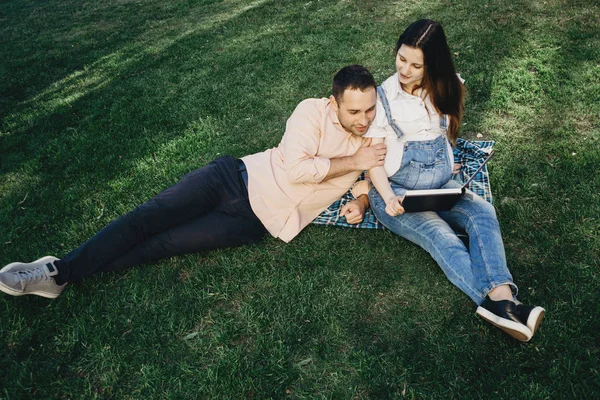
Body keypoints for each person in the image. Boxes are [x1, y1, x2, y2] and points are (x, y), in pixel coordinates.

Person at [0, 65, 386, 300]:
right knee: (147, 218)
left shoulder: (372, 137)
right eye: (354, 111)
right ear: (333, 102)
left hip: (253, 223)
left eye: (369, 109)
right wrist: (356, 160)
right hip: (231, 179)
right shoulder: (311, 112)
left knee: (158, 246)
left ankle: (60, 276)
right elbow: (296, 170)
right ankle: (55, 272)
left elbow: (366, 176)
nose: (363, 119)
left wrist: (363, 199)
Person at [363, 20, 545, 342]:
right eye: (401, 59)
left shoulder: (448, 87)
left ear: (432, 65)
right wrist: (389, 197)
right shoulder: (383, 99)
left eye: (415, 65)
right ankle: (506, 306)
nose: (404, 69)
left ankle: (501, 301)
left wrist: (447, 160)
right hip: (396, 194)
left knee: (482, 213)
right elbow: (373, 162)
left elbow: (447, 132)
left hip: (442, 188)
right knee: (442, 236)